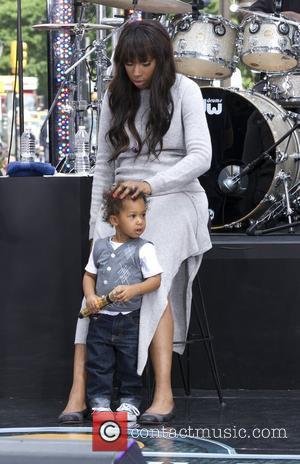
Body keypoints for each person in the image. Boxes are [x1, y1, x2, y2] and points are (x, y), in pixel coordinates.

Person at [59, 19, 212, 425]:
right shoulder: (116, 96)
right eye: (129, 64)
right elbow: (105, 167)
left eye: (144, 63)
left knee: (148, 253)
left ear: (161, 60)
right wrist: (98, 225)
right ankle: (79, 388)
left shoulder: (186, 91)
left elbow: (201, 158)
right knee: (104, 264)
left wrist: (151, 184)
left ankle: (162, 393)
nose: (137, 72)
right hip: (124, 199)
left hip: (177, 195)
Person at [83, 190, 162, 422]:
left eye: (143, 215)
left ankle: (129, 402)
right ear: (115, 220)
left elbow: (155, 280)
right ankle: (99, 403)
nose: (140, 221)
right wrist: (90, 296)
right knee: (99, 362)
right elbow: (89, 276)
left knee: (130, 362)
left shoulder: (144, 248)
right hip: (101, 319)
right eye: (133, 216)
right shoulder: (99, 247)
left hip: (129, 319)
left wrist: (133, 289)